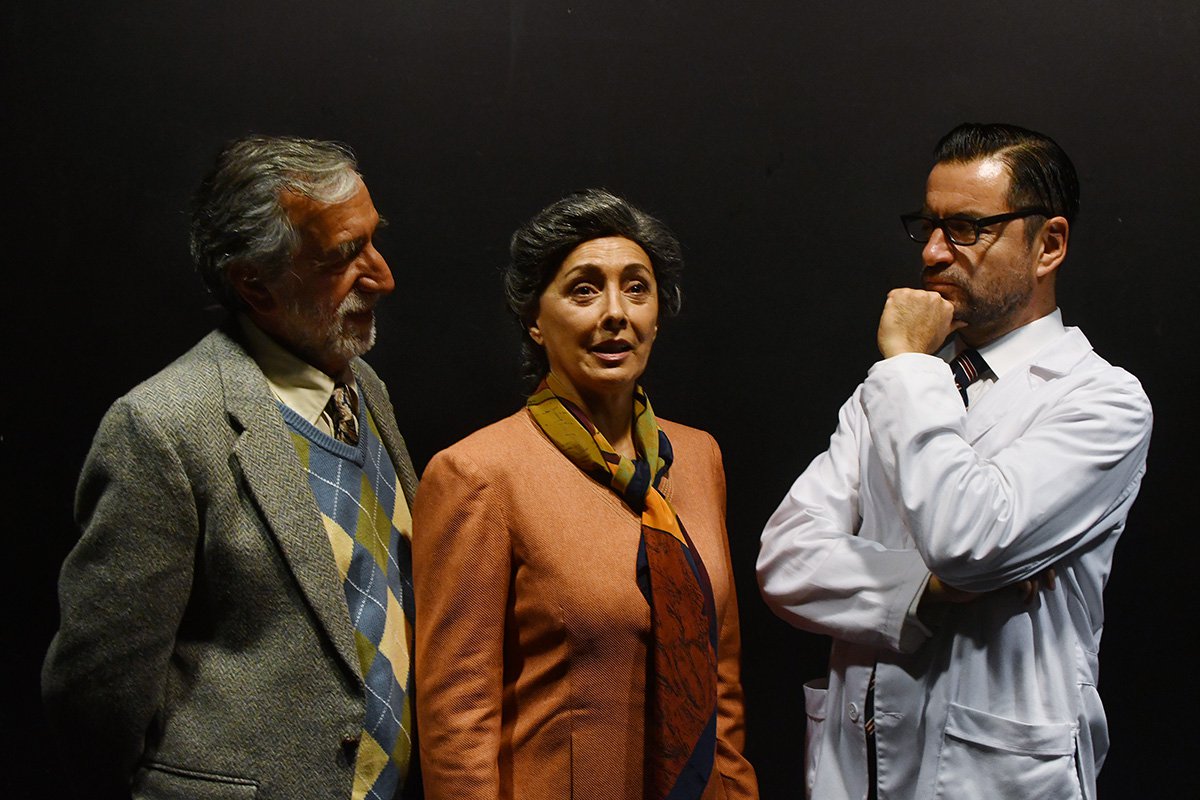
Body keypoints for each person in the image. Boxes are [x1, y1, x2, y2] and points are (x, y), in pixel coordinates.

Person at [757, 123, 1152, 799]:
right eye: (929, 226)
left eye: (967, 228)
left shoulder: (1102, 401)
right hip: (855, 773)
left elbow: (968, 540)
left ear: (1049, 245)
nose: (933, 253)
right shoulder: (893, 388)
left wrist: (910, 368)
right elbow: (786, 560)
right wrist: (929, 591)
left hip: (994, 778)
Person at [42, 136, 421, 800]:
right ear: (254, 283)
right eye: (343, 255)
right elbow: (97, 693)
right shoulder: (163, 427)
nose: (382, 276)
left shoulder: (365, 388)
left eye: (373, 240)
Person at [412, 189, 758, 800]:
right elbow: (457, 722)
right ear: (535, 320)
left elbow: (720, 675)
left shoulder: (698, 457)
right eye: (584, 290)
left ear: (658, 313)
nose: (615, 313)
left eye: (636, 288)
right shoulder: (477, 475)